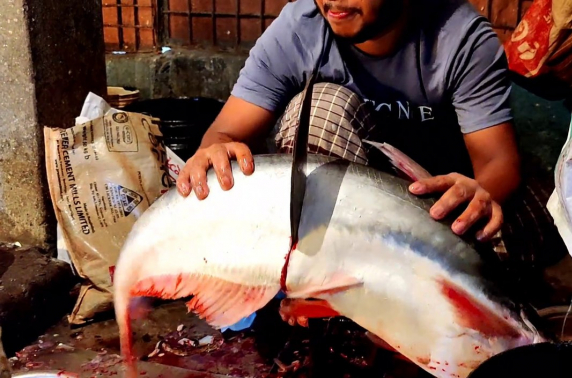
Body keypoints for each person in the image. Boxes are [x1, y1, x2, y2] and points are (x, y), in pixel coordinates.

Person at [176, 0, 528, 328]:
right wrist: (215, 152)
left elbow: (498, 161)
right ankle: (321, 296)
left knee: (503, 283)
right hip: (342, 220)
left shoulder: (460, 38)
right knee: (320, 107)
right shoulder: (300, 29)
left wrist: (478, 192)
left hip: (434, 214)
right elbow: (224, 133)